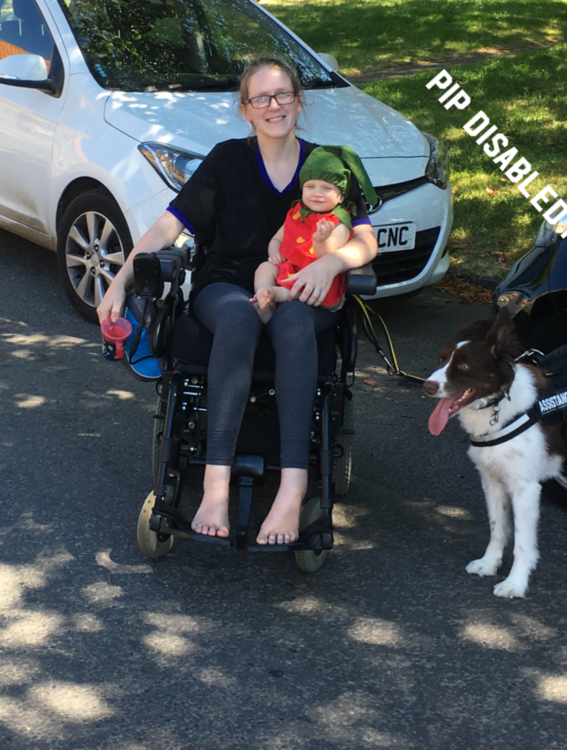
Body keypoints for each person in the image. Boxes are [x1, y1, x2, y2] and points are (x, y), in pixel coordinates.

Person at [97, 57, 378, 545]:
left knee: (290, 322)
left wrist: (330, 264)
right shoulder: (227, 159)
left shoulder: (324, 165)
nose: (274, 106)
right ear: (245, 109)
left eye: (283, 95)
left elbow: (366, 240)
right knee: (241, 316)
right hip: (225, 283)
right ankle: (214, 484)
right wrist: (120, 280)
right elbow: (169, 226)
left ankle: (293, 489)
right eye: (261, 98)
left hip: (299, 288)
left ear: (299, 100)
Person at [251, 145, 376, 321]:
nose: (317, 193)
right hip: (290, 267)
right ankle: (264, 298)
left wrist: (320, 241)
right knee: (264, 268)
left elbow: (327, 256)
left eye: (327, 188)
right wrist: (274, 255)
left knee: (302, 288)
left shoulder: (338, 222)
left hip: (319, 280)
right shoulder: (297, 212)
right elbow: (277, 239)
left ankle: (275, 294)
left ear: (341, 197)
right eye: (310, 186)